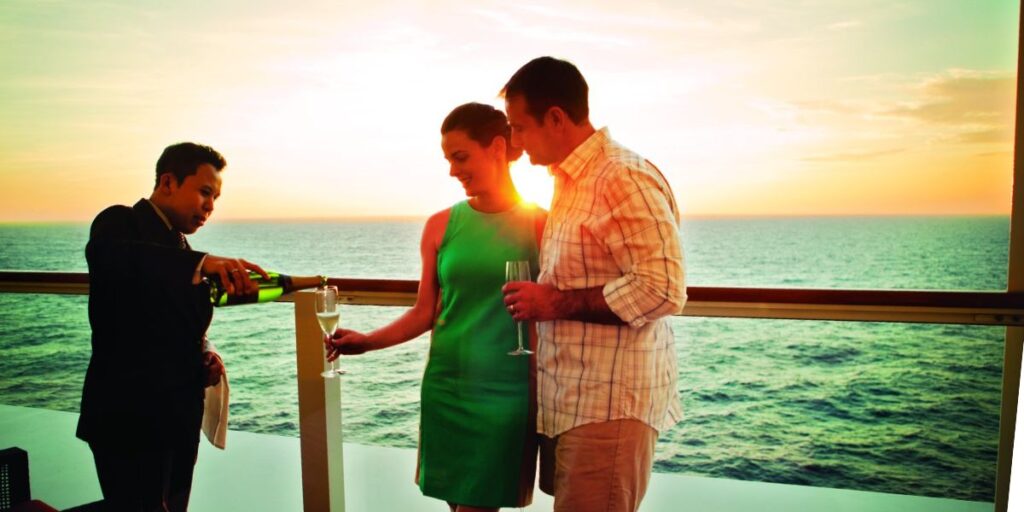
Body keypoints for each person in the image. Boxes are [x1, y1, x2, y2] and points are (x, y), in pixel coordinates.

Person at [327, 103, 545, 512]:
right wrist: (367, 342)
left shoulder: (541, 224)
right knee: (456, 504)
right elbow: (424, 312)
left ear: (497, 148)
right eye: (447, 159)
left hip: (508, 392)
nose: (452, 171)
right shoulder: (440, 225)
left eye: (460, 157)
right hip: (447, 386)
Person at [500, 56, 687, 512]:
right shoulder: (572, 180)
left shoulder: (620, 176)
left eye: (520, 127)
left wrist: (553, 303)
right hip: (576, 402)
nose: (516, 142)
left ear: (556, 118)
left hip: (608, 408)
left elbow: (663, 288)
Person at [77, 142, 269, 511]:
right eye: (204, 192)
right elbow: (120, 260)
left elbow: (181, 327)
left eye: (215, 197)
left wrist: (207, 354)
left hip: (178, 416)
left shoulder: (182, 249)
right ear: (168, 182)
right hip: (128, 417)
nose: (210, 206)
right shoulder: (118, 224)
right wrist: (202, 263)